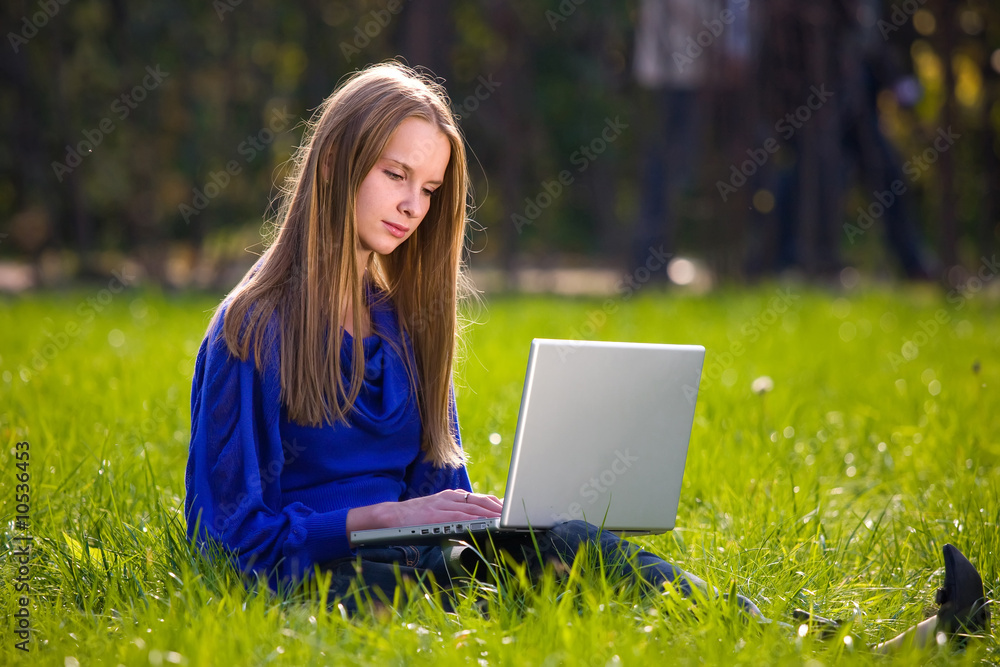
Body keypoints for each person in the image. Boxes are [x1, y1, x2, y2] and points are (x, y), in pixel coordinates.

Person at [183, 62, 989, 651]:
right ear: (335, 164)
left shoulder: (407, 324)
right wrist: (379, 519)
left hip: (422, 558)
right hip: (335, 576)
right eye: (396, 175)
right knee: (432, 587)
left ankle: (827, 642)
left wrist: (485, 517)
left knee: (571, 541)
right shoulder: (250, 330)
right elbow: (230, 537)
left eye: (429, 189)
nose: (412, 205)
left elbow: (436, 494)